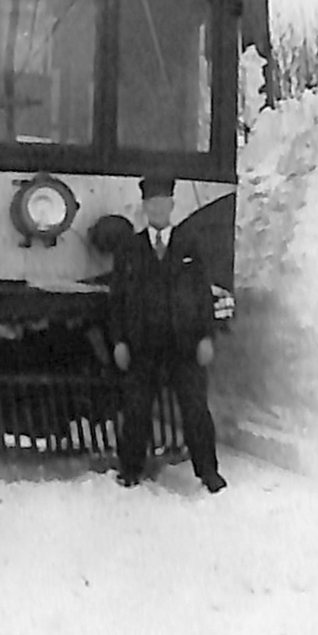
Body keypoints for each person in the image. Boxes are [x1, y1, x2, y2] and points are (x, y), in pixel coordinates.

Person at [108, 176, 227, 493]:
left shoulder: (191, 244)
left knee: (196, 410)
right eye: (152, 204)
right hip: (142, 345)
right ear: (145, 208)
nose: (158, 209)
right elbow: (117, 300)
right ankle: (130, 470)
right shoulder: (129, 249)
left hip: (184, 345)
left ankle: (208, 472)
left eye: (163, 203)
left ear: (172, 205)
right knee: (136, 409)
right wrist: (119, 341)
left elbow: (204, 295)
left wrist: (207, 337)